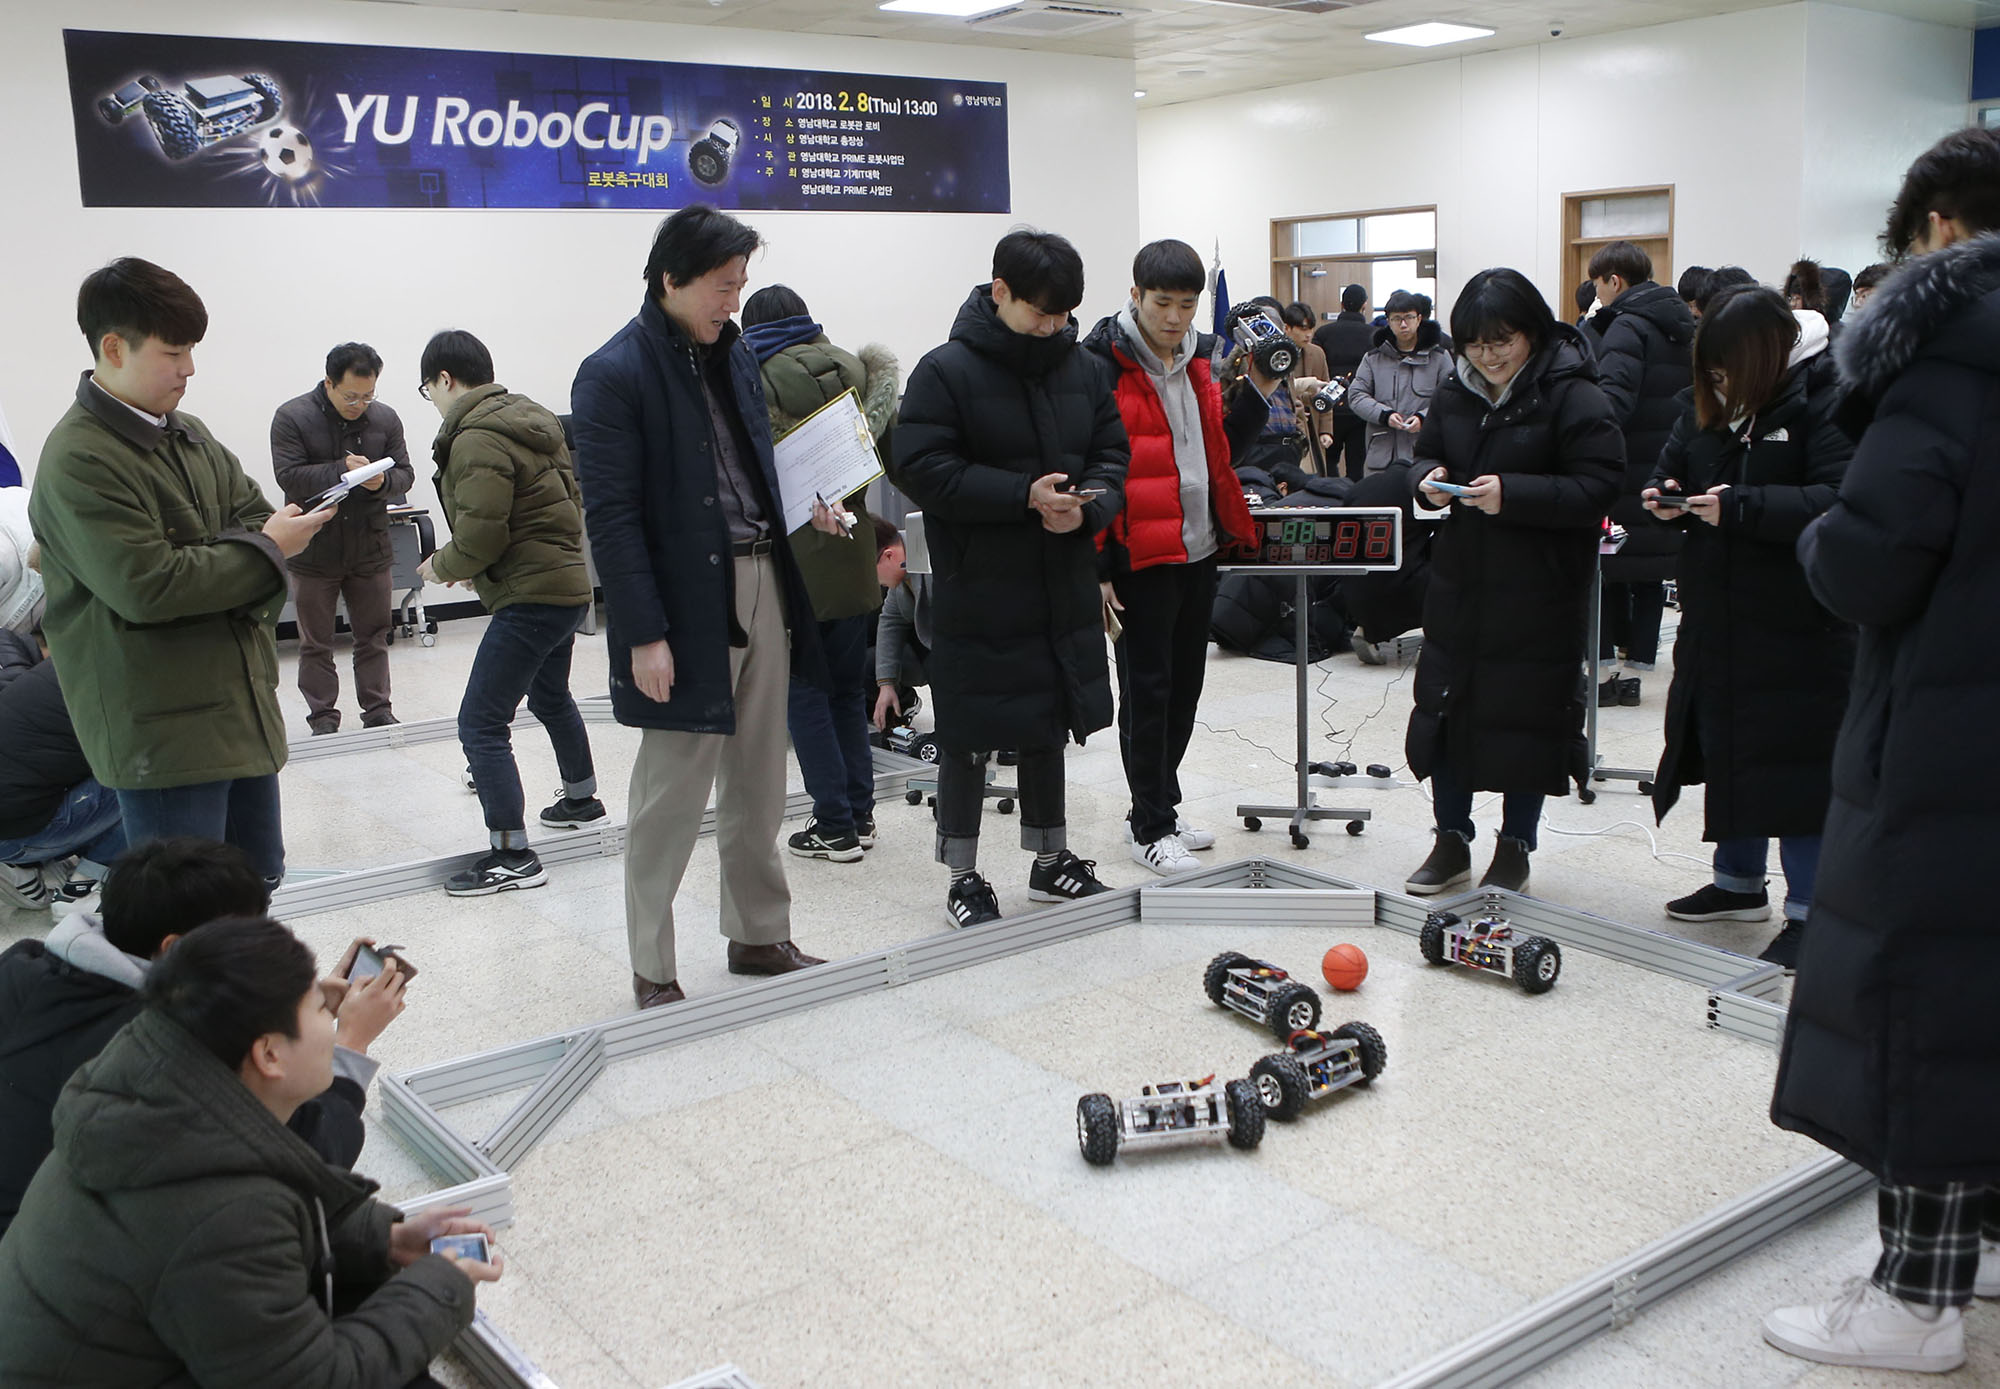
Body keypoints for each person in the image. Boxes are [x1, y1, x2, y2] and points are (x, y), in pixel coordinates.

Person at [1763, 125, 2000, 1376]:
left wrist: (1814, 540)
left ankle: (1916, 1300)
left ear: (1942, 233)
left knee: (1925, 999)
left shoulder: (1950, 360)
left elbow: (1864, 558)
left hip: (1949, 746)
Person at [0, 916, 492, 1386]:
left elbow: (261, 1211)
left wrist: (384, 1237)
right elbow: (318, 1380)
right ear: (269, 1054)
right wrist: (442, 1284)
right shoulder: (221, 1209)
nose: (333, 1021)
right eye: (322, 1010)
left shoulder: (148, 1078)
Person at [571, 205, 837, 1011]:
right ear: (670, 280)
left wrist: (806, 505)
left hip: (762, 581)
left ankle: (759, 932)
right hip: (684, 604)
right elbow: (611, 517)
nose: (733, 300)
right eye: (722, 287)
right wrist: (643, 634)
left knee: (760, 775)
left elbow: (748, 470)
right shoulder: (613, 373)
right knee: (671, 792)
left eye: (741, 285)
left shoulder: (735, 358)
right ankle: (653, 963)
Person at [28, 258, 331, 887]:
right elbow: (150, 587)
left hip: (236, 709)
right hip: (161, 734)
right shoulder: (79, 457)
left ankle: (259, 990)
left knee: (256, 881)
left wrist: (247, 549)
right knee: (190, 912)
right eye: (173, 353)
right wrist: (262, 550)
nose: (189, 369)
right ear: (113, 347)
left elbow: (252, 516)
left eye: (192, 350)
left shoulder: (188, 434)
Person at [892, 228, 1129, 927]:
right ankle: (963, 876)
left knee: (1047, 723)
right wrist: (1022, 495)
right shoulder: (945, 371)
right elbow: (923, 467)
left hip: (1060, 580)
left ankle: (1051, 861)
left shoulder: (1082, 369)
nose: (1053, 327)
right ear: (1000, 292)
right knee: (967, 732)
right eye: (1040, 312)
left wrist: (1087, 512)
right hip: (980, 584)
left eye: (1063, 315)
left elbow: (1112, 455)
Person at [0, 835, 406, 1238]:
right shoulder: (162, 1048)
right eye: (245, 937)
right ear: (175, 949)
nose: (260, 947)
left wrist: (304, 1002)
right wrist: (350, 1043)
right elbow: (302, 1163)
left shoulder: (23, 965)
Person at [1641, 285, 1854, 966]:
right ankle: (1738, 882)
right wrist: (1662, 498)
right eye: (1712, 370)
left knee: (1797, 769)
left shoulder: (1825, 403)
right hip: (1716, 614)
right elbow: (1670, 467)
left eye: (1730, 369)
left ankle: (1811, 909)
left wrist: (1743, 507)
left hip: (1799, 623)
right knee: (1730, 749)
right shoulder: (1705, 406)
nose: (1719, 382)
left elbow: (1839, 498)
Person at [1403, 268, 1623, 896]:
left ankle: (1516, 845)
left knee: (1528, 719)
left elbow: (1601, 485)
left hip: (1540, 591)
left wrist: (1514, 495)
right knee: (1448, 711)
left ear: (1532, 332)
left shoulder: (1573, 393)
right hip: (1462, 583)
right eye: (1474, 344)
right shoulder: (1454, 391)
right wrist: (1428, 476)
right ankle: (1451, 838)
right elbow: (1423, 456)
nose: (1489, 356)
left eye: (1502, 341)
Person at [1082, 238, 1259, 876]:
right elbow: (1090, 472)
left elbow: (1215, 453)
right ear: (1135, 296)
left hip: (1198, 545)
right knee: (1147, 690)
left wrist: (1258, 396)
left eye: (1187, 306)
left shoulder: (1202, 361)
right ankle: (1147, 825)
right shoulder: (1100, 364)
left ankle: (1165, 802)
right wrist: (1099, 566)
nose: (1175, 318)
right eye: (1163, 304)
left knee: (1185, 686)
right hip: (1138, 554)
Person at [414, 330, 601, 897]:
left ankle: (511, 855)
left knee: (481, 721)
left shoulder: (474, 438)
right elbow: (550, 513)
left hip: (531, 596)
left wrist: (440, 565)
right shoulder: (535, 422)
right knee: (549, 696)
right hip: (567, 585)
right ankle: (581, 797)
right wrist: (484, 559)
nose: (434, 401)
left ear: (445, 380)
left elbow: (480, 533)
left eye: (429, 390)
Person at [739, 285, 900, 863]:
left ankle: (832, 822)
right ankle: (859, 814)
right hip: (857, 554)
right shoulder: (856, 373)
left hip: (797, 560)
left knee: (804, 694)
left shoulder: (751, 379)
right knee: (843, 694)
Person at [271, 342, 414, 736]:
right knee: (316, 641)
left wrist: (382, 480)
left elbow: (405, 473)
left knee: (373, 636)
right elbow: (289, 476)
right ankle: (322, 717)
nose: (360, 404)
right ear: (329, 383)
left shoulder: (384, 419)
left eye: (368, 396)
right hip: (314, 547)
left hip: (370, 546)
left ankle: (378, 710)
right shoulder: (292, 417)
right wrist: (341, 471)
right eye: (351, 396)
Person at [1587, 240, 1696, 707]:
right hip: (1668, 465)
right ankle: (1636, 676)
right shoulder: (1683, 325)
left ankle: (1606, 674)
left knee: (1607, 569)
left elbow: (1614, 399)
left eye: (1598, 284)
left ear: (1614, 280)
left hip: (1626, 466)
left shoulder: (1626, 326)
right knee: (1651, 574)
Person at [0, 633, 123, 909]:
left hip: (15, 810)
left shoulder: (75, 657)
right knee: (153, 772)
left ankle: (39, 858)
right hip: (14, 833)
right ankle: (87, 882)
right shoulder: (130, 680)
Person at [1346, 289, 1454, 478]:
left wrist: (1423, 418)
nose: (1403, 324)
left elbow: (1451, 398)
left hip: (1425, 456)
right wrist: (1384, 415)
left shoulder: (1439, 358)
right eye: (1397, 319)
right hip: (1382, 457)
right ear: (1388, 321)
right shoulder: (1373, 358)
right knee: (1383, 506)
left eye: (1409, 317)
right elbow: (1356, 396)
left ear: (1419, 319)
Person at [872, 514, 931, 732]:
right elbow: (890, 621)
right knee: (868, 665)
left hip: (966, 645)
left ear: (888, 556)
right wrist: (886, 684)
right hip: (934, 643)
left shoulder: (931, 559)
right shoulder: (902, 572)